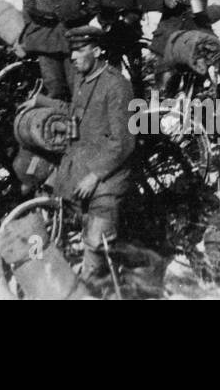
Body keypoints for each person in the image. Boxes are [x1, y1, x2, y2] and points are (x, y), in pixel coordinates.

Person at [42, 25, 146, 295]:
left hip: (108, 178)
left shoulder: (117, 86)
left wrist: (95, 175)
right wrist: (41, 102)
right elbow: (77, 113)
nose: (73, 57)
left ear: (97, 51)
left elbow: (123, 142)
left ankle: (89, 290)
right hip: (83, 169)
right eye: (72, 51)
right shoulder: (83, 78)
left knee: (96, 245)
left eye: (79, 51)